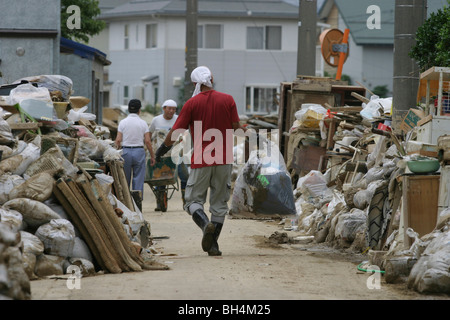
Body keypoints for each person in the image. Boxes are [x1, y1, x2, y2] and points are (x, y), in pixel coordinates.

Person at [154, 66, 247, 256]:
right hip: (224, 159)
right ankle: (213, 246)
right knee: (220, 203)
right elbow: (237, 128)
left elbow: (177, 132)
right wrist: (251, 135)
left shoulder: (192, 104)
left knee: (192, 200)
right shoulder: (228, 99)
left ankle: (205, 225)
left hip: (202, 159)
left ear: (195, 82)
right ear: (211, 80)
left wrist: (162, 149)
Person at [148, 99, 189, 210]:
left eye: (174, 109)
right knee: (161, 179)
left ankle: (186, 202)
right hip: (162, 154)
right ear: (164, 109)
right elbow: (149, 133)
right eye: (169, 109)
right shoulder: (156, 120)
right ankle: (160, 203)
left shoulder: (179, 119)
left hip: (177, 154)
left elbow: (185, 132)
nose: (171, 111)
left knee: (184, 176)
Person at [115, 99, 155, 201]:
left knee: (125, 180)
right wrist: (152, 156)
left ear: (128, 109)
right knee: (138, 180)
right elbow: (147, 141)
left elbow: (118, 140)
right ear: (139, 110)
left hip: (126, 152)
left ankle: (127, 204)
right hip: (139, 152)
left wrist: (115, 152)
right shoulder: (143, 123)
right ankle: (137, 204)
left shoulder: (123, 122)